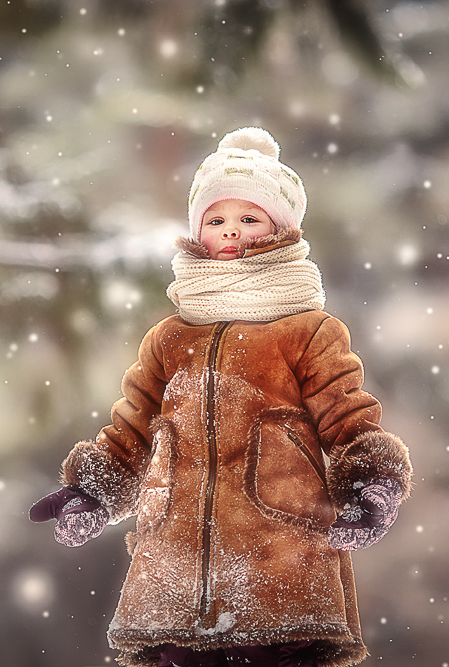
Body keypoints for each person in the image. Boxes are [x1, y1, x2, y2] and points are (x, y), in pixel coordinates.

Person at [30, 127, 413, 667]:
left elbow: (348, 416)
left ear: (280, 230)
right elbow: (133, 430)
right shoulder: (170, 337)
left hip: (278, 567)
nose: (230, 231)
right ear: (198, 232)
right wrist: (94, 491)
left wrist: (372, 484)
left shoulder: (305, 330)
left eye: (249, 218)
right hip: (174, 569)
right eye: (216, 220)